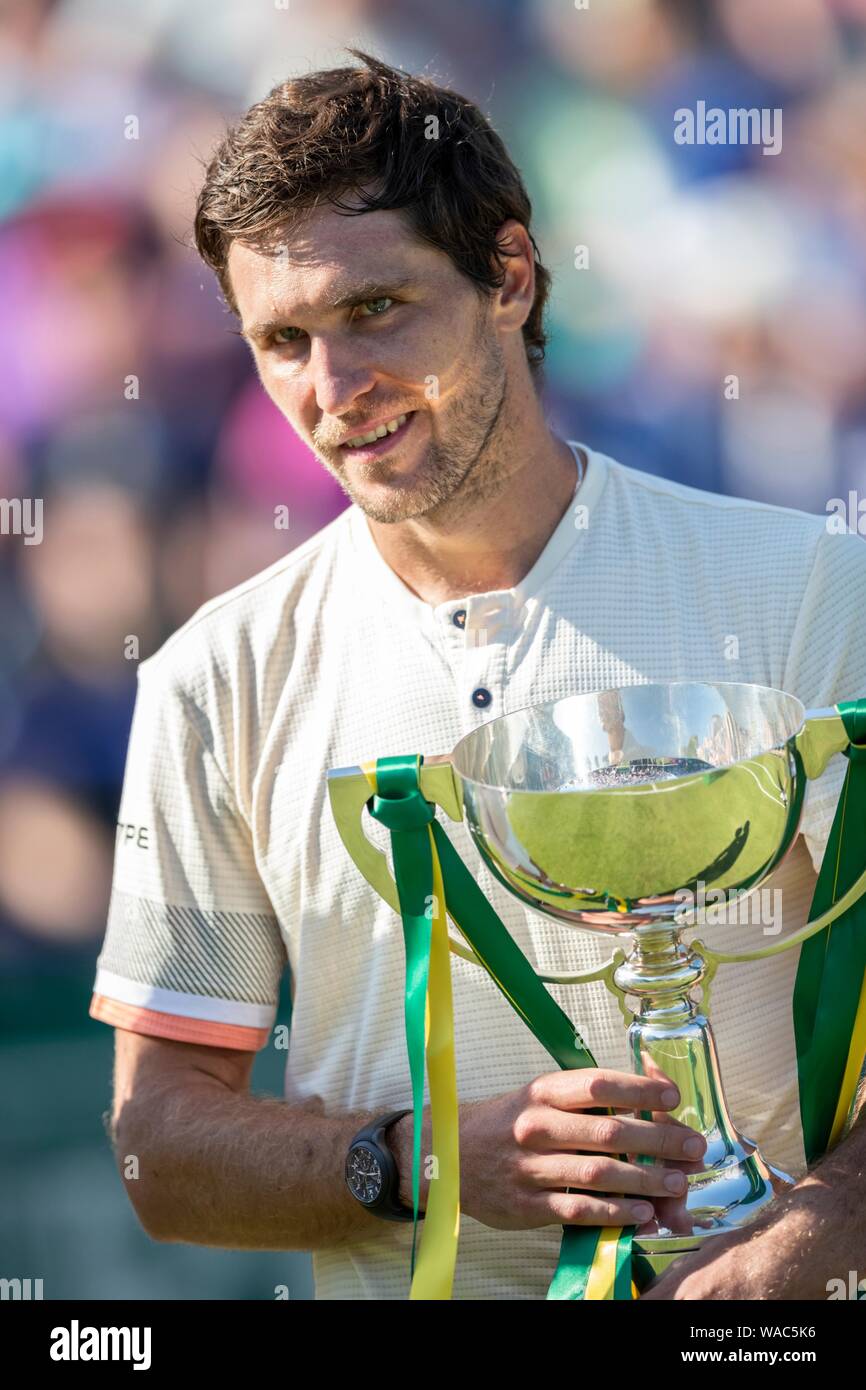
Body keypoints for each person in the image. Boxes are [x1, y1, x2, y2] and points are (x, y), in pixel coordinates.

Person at [90, 51, 866, 1301]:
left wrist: (787, 1258)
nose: (331, 391)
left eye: (373, 310)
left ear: (506, 276)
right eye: (280, 340)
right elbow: (157, 1149)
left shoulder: (805, 590)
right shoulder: (207, 679)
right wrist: (412, 1162)